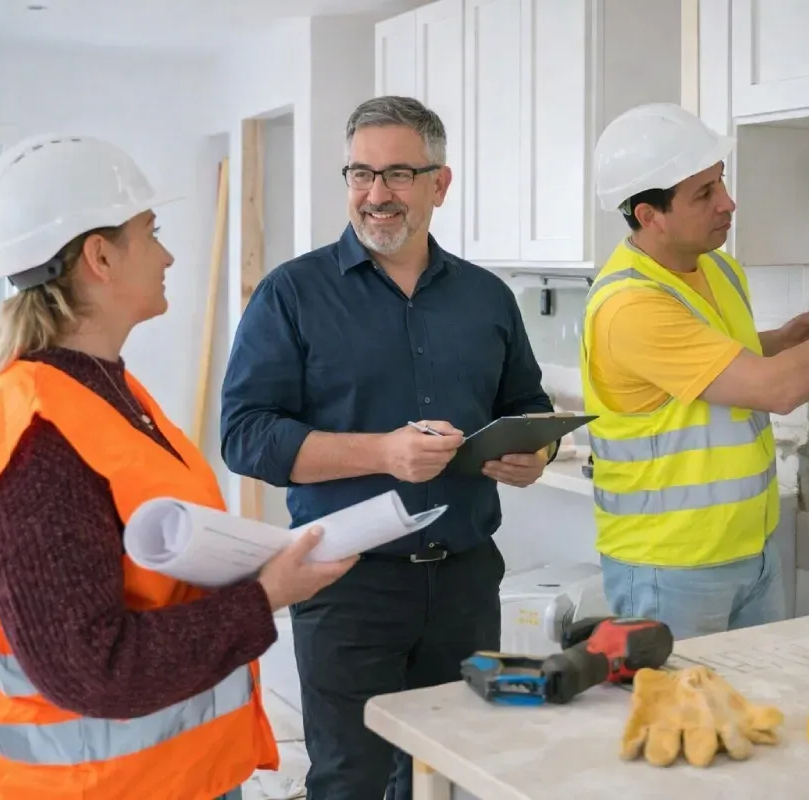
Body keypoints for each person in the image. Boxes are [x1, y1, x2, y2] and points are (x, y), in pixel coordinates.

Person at [0, 133, 356, 800]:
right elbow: (92, 668)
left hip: (171, 778)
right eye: (151, 231)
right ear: (100, 257)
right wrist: (264, 597)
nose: (167, 254)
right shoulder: (37, 438)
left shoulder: (105, 391)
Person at [219, 95, 557, 800]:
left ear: (440, 183)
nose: (376, 195)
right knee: (351, 778)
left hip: (466, 583)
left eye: (399, 174)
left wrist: (535, 455)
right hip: (345, 585)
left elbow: (527, 404)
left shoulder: (487, 298)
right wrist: (382, 453)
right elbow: (245, 435)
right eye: (360, 174)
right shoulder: (291, 294)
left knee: (451, 772)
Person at [580, 103, 809, 641]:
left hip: (752, 547)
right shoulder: (630, 304)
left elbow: (710, 367)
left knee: (753, 716)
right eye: (704, 194)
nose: (728, 203)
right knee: (680, 719)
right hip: (671, 566)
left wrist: (782, 341)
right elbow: (779, 390)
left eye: (720, 182)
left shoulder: (716, 266)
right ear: (648, 215)